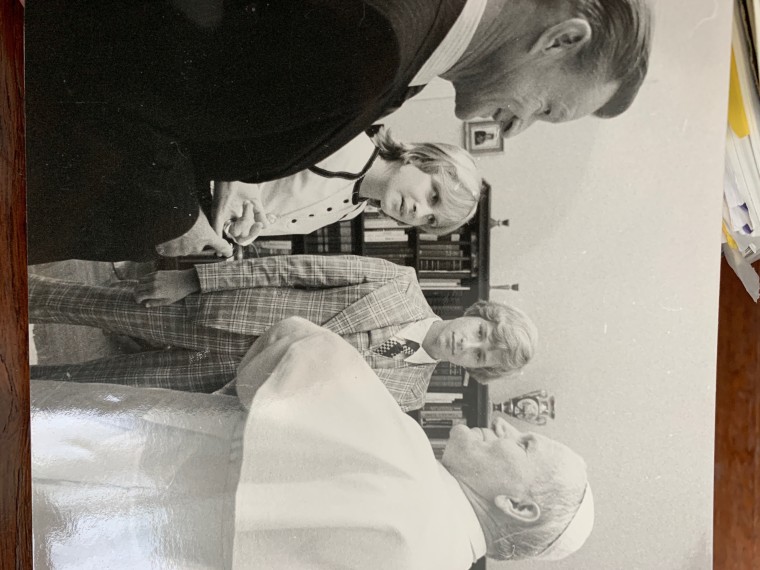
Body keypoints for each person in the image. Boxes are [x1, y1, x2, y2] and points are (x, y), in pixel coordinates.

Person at [25, 0, 653, 263]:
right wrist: (176, 220)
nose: (515, 130)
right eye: (547, 108)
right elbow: (119, 78)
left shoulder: (403, 52)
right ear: (563, 39)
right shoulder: (376, 44)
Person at [31, 316, 593, 569]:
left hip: (113, 470)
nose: (504, 426)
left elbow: (296, 344)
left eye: (524, 445)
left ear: (519, 507)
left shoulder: (411, 462)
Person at [29, 255, 538, 411]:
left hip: (219, 380)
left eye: (478, 355)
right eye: (479, 331)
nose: (467, 343)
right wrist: (194, 279)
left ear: (471, 372)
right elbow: (296, 268)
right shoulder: (398, 282)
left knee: (86, 388)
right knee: (73, 302)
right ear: (477, 311)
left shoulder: (405, 399)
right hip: (215, 313)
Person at [212, 127, 483, 249]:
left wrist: (238, 230)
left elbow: (256, 210)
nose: (418, 211)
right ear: (419, 159)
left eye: (430, 219)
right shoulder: (346, 142)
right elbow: (241, 138)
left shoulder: (351, 211)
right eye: (433, 195)